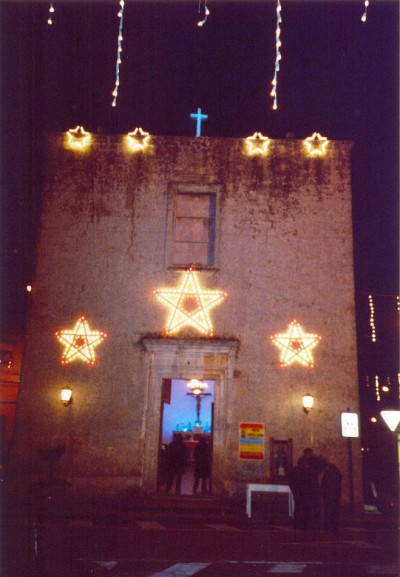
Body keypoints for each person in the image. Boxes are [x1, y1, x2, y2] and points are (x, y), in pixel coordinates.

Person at [289, 449, 326, 530]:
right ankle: (305, 525)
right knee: (305, 509)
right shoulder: (308, 470)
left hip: (302, 492)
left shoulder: (303, 469)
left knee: (301, 509)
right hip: (305, 492)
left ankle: (300, 525)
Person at [321, 456, 342, 531]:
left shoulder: (329, 471)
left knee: (329, 510)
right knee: (334, 510)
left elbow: (325, 483)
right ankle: (333, 525)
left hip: (329, 493)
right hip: (334, 493)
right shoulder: (336, 471)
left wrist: (323, 491)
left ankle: (329, 525)